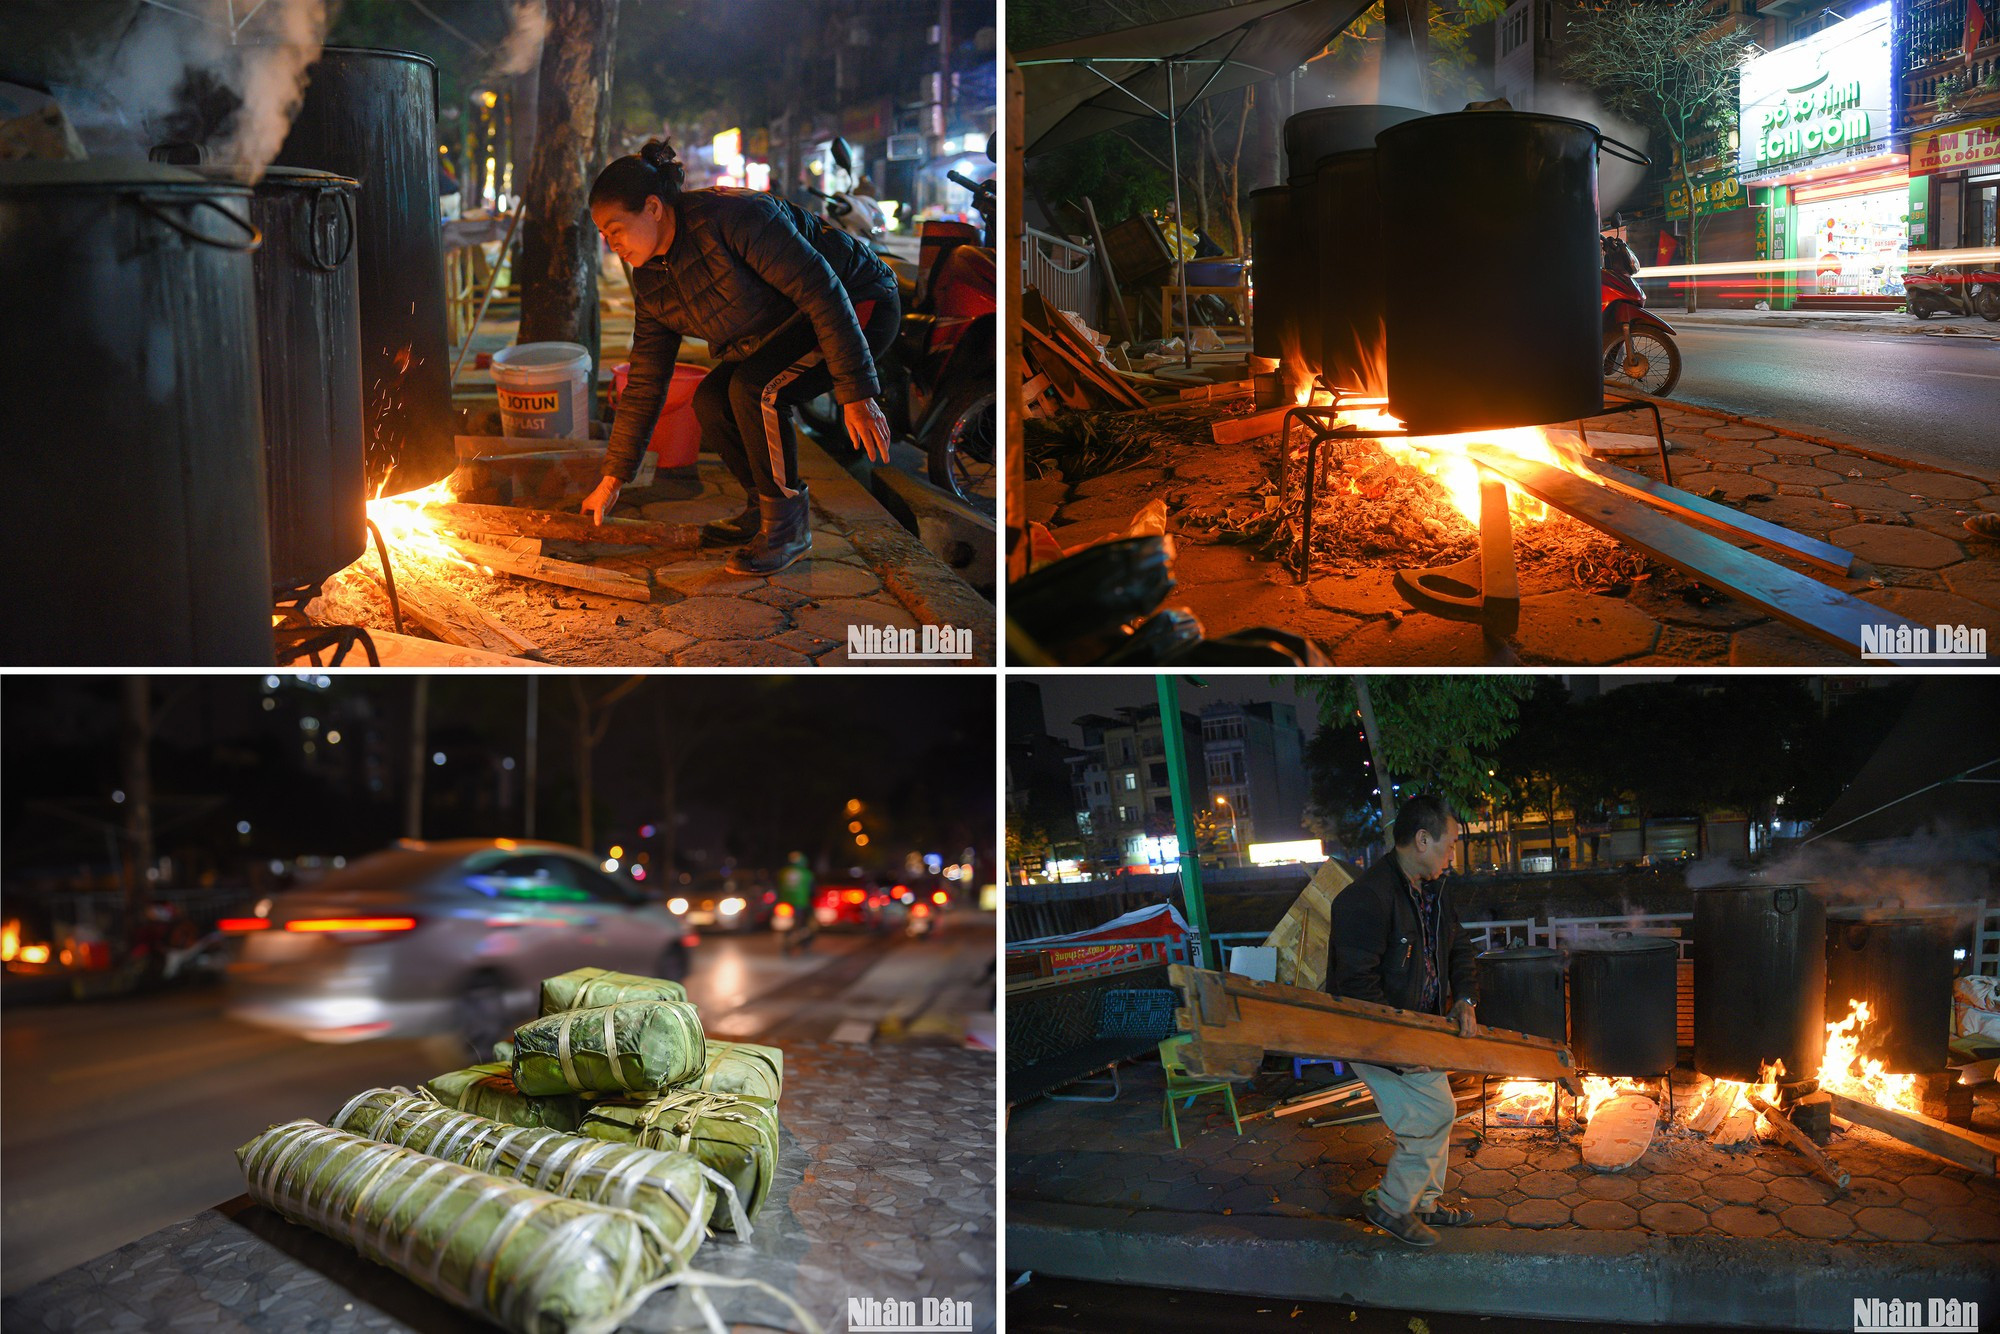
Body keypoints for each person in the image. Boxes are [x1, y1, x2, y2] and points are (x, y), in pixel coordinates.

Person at [583, 140, 900, 574]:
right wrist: (612, 478)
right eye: (603, 234)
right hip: (785, 324)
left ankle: (788, 531)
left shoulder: (735, 218)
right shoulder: (652, 281)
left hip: (859, 300)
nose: (610, 242)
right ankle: (764, 511)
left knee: (755, 389)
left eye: (616, 228)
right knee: (711, 400)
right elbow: (645, 380)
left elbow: (823, 293)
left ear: (653, 208)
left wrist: (857, 392)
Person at [1327, 794, 1479, 1247]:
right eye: (1450, 844)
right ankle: (1392, 1206)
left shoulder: (1433, 891)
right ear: (1421, 839)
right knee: (1429, 1116)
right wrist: (1397, 1054)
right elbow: (1356, 991)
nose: (1453, 854)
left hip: (1419, 1031)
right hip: (1373, 1037)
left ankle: (1424, 1203)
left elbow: (1460, 948)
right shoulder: (1366, 899)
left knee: (1440, 1111)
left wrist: (1465, 998)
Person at [777, 850, 817, 955]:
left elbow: (777, 886)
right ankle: (805, 944)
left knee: (787, 925)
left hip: (784, 903)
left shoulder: (783, 872)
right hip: (801, 904)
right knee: (807, 925)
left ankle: (788, 942)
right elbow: (813, 890)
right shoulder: (807, 874)